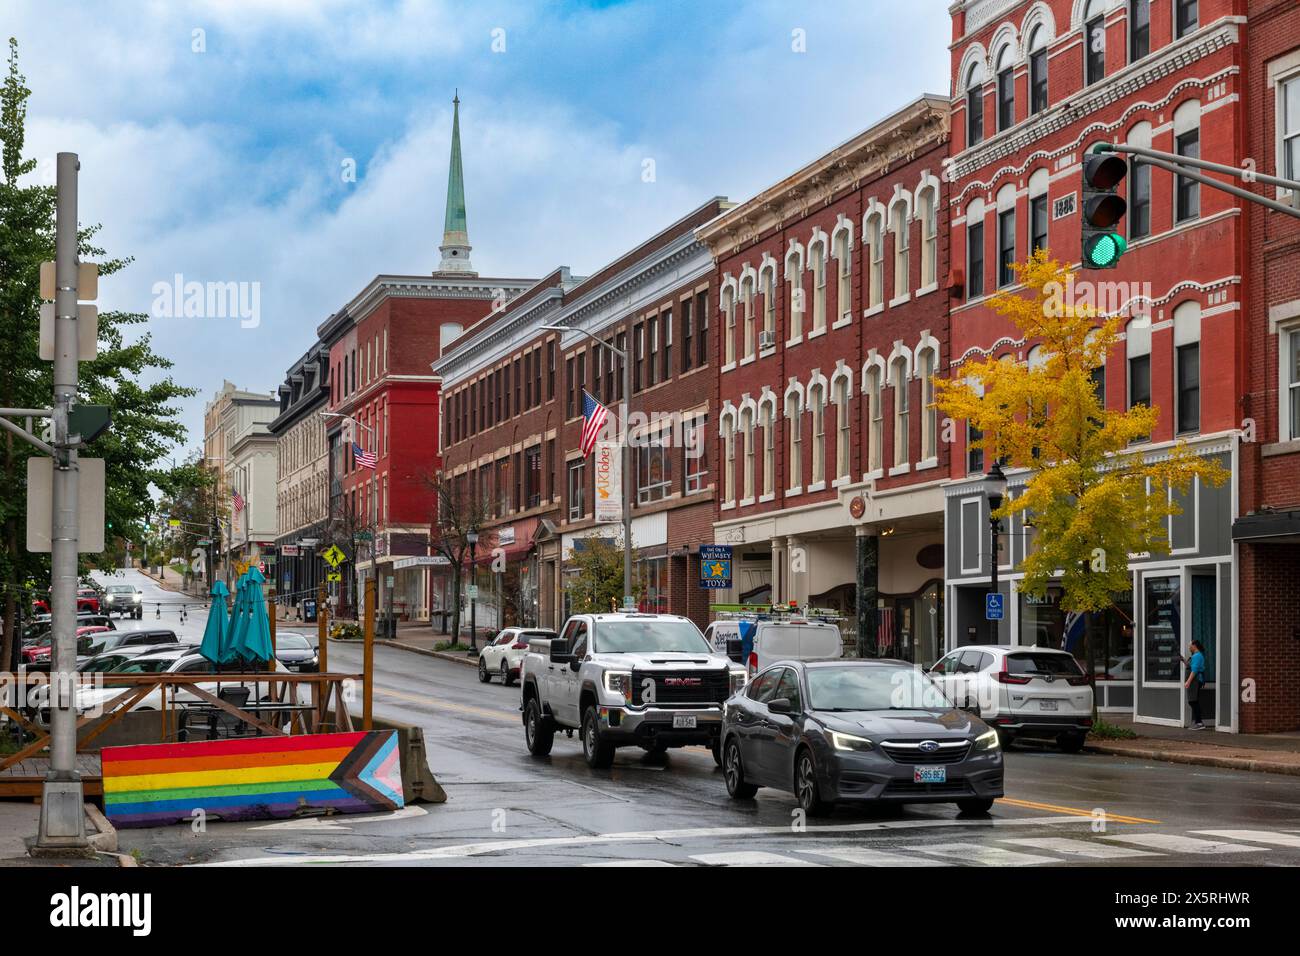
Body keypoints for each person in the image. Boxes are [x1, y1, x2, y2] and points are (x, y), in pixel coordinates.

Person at [1183, 639, 1207, 730]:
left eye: (1190, 645)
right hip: (1194, 681)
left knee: (1193, 701)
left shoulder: (1197, 656)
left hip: (1195, 681)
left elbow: (1195, 670)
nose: (1189, 647)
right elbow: (1190, 666)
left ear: (1194, 645)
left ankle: (1199, 723)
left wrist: (1188, 681)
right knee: (1193, 701)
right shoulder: (1195, 656)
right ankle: (1198, 721)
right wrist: (1184, 661)